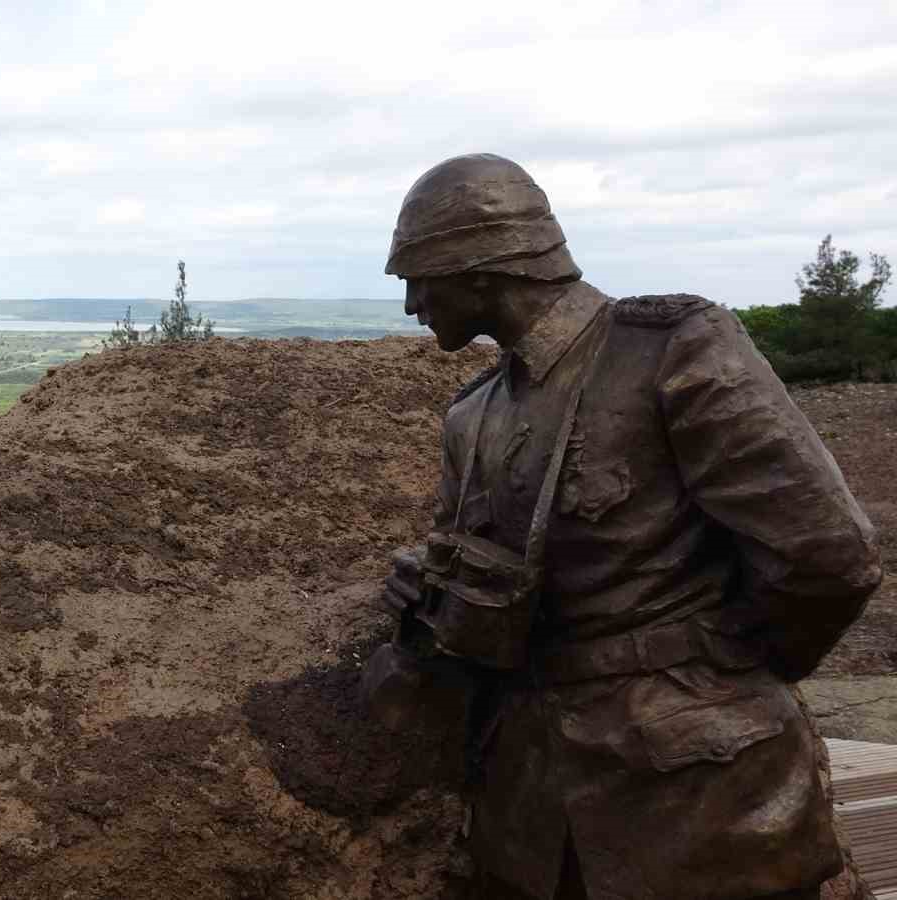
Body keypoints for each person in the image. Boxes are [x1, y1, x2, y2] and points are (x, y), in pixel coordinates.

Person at [376, 153, 884, 899]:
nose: (414, 304)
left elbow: (830, 556)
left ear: (482, 266)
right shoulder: (474, 412)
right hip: (538, 811)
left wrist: (722, 671)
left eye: (420, 277)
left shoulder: (673, 350)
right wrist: (434, 587)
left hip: (701, 803)